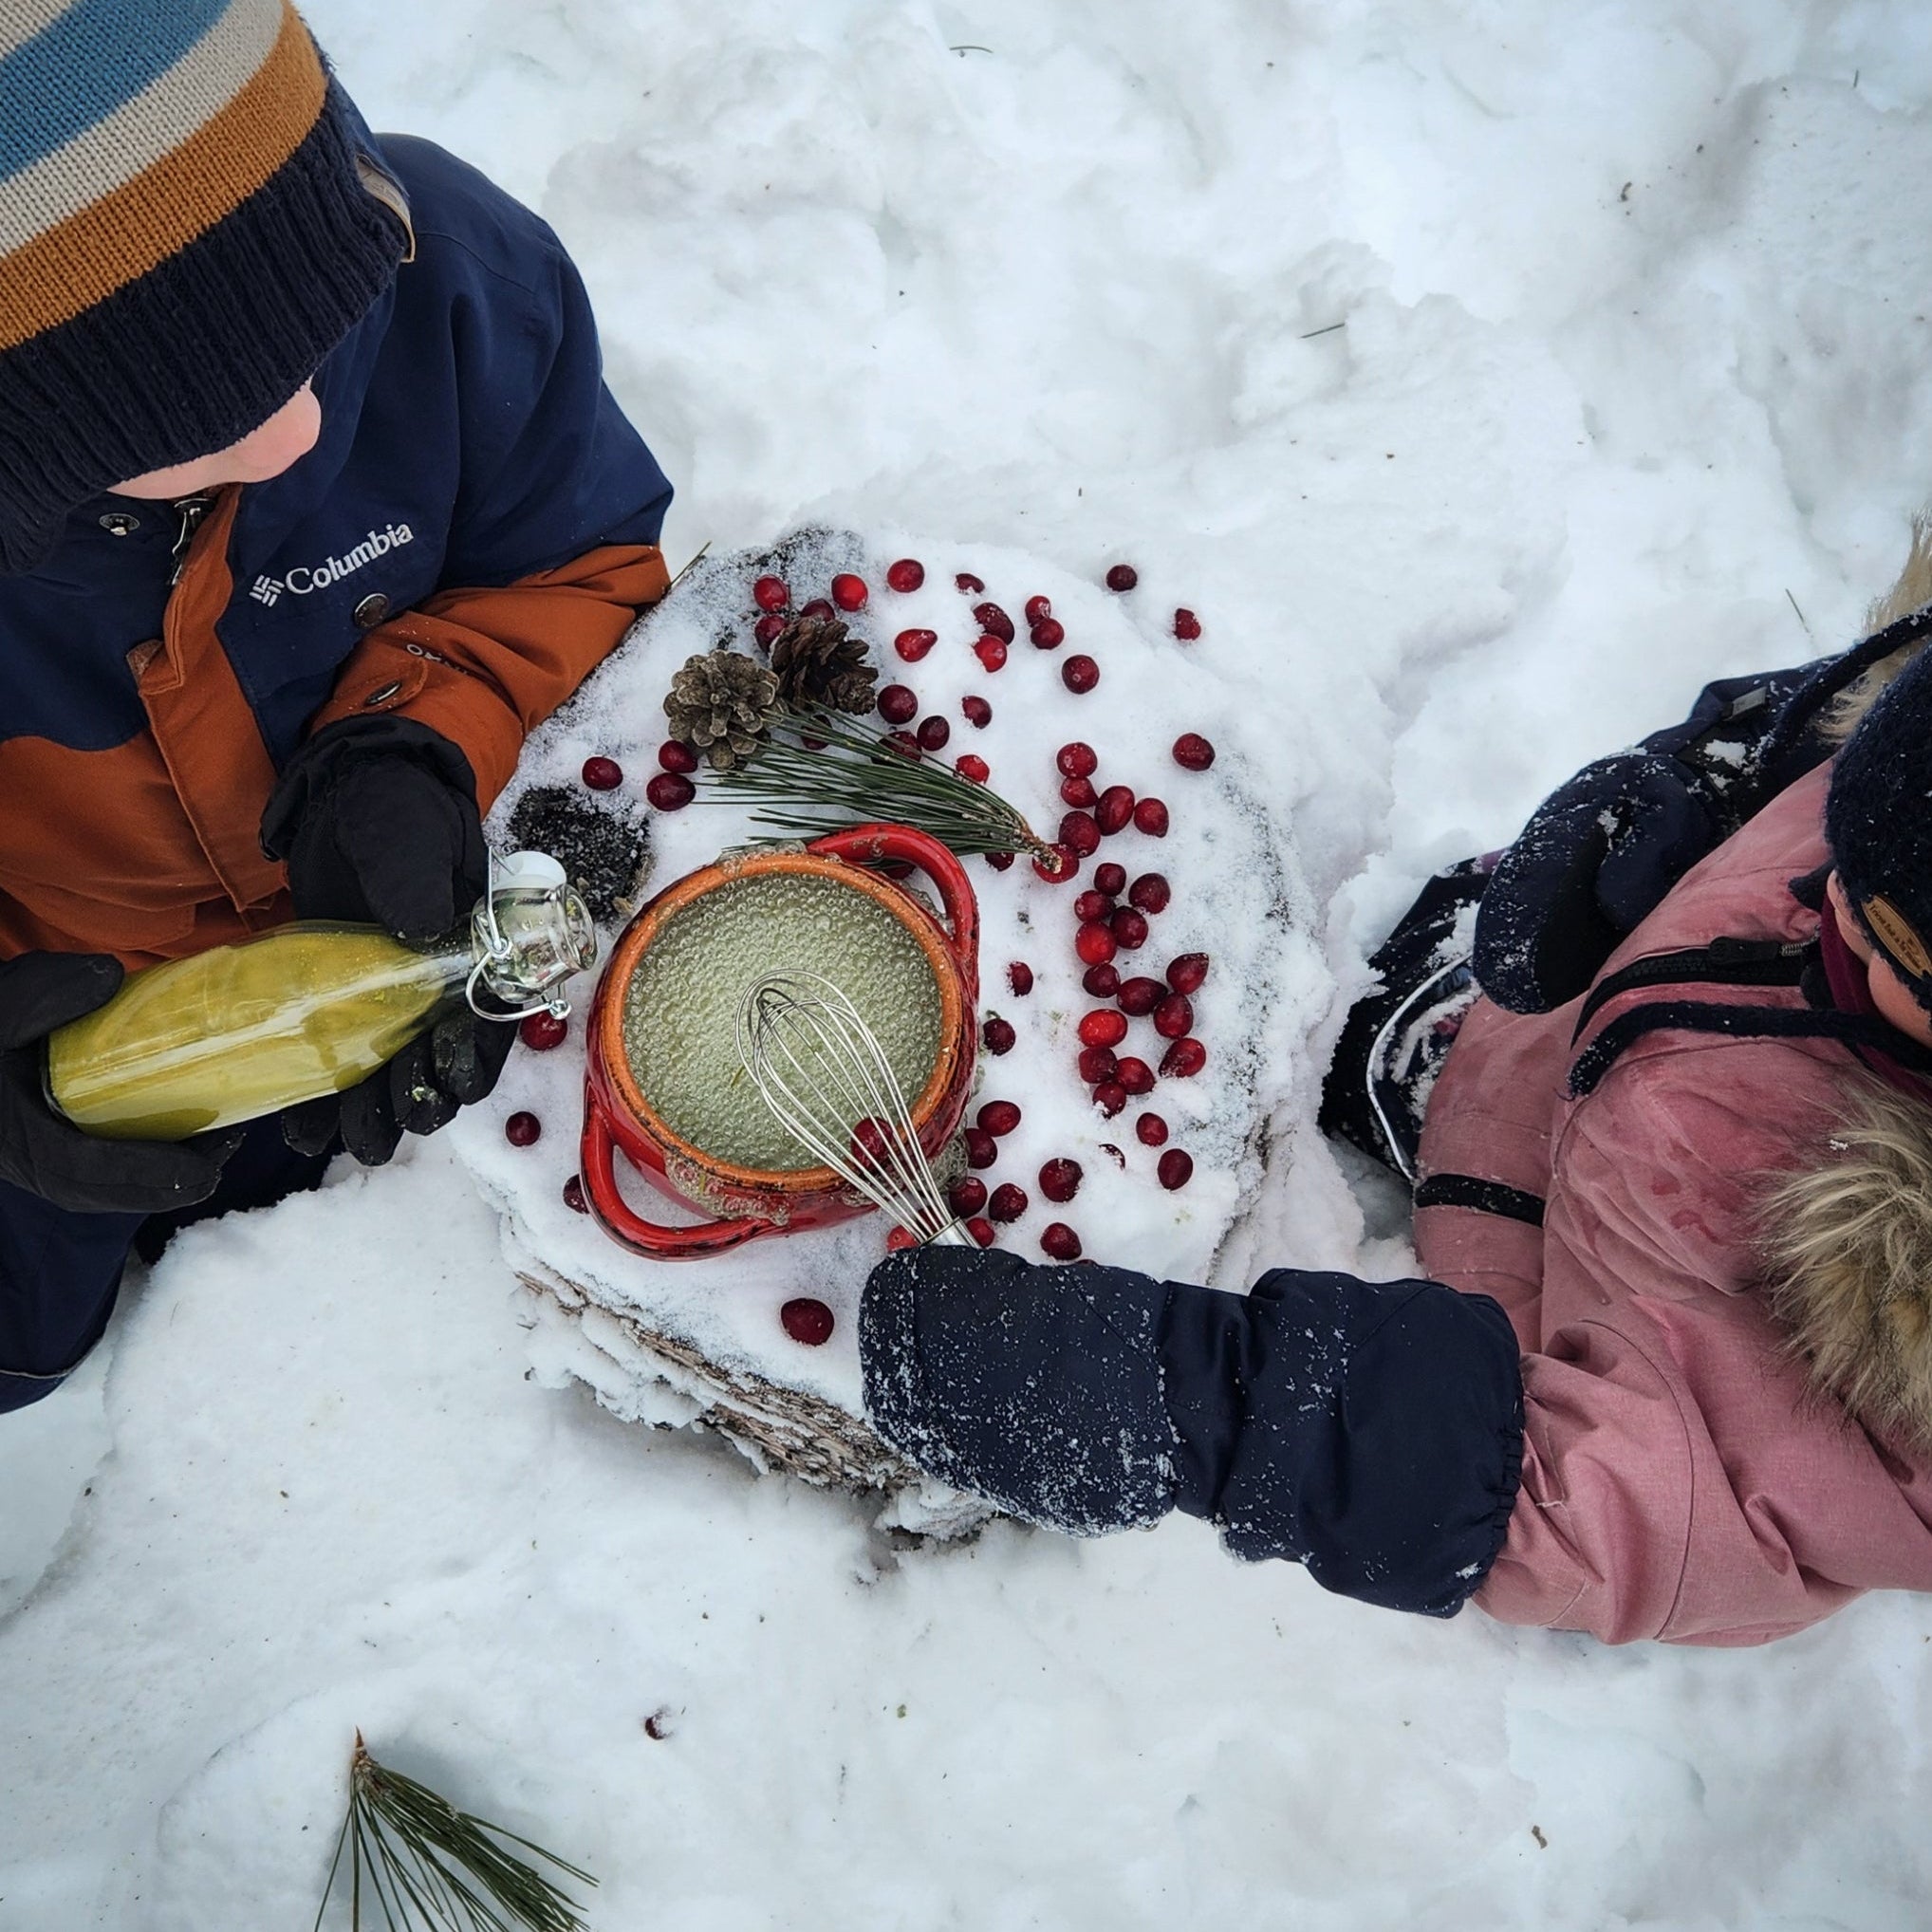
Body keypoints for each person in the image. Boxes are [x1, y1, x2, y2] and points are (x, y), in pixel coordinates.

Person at [857, 562, 1932, 1646]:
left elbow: (1626, 1505)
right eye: (1838, 848)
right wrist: (1717, 782)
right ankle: (1469, 1060)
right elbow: (1845, 737)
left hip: (1605, 1332)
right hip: (1609, 1036)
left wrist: (1201, 1404)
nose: (1830, 889)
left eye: (1882, 931)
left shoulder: (1893, 1399)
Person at [0, 0, 673, 1409]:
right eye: (186, 424)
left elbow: (583, 563)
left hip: (375, 970)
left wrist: (418, 738)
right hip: (60, 1052)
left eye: (327, 312)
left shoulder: (447, 277)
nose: (302, 431)